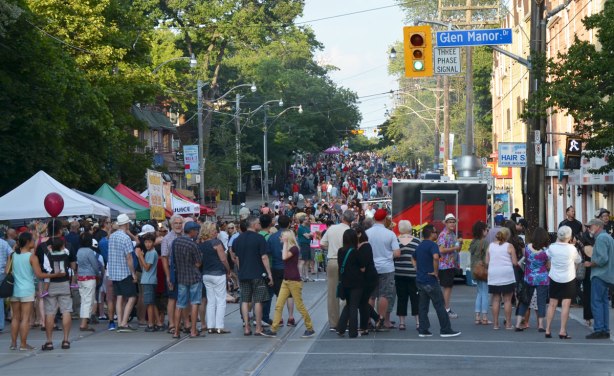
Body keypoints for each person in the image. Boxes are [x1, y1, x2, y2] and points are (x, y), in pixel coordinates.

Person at [10, 232, 64, 351]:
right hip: (27, 290)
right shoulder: (31, 257)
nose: (35, 242)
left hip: (14, 289)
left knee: (15, 317)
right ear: (28, 242)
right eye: (33, 240)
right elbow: (39, 274)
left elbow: (6, 270)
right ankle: (23, 344)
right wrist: (55, 274)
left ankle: (13, 344)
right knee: (25, 318)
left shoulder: (13, 255)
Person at [262, 230, 315, 338]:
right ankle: (273, 329)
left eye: (282, 236)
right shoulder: (288, 248)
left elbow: (284, 257)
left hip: (294, 281)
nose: (280, 238)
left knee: (300, 306)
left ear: (287, 237)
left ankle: (310, 328)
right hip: (286, 280)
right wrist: (285, 244)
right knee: (278, 305)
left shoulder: (294, 248)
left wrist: (285, 243)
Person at [414, 224, 461, 338]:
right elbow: (436, 257)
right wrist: (435, 271)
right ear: (431, 233)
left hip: (420, 279)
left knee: (423, 306)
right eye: (435, 232)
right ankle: (445, 329)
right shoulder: (433, 245)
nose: (436, 234)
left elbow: (413, 257)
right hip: (430, 280)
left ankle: (423, 329)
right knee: (440, 305)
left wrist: (417, 268)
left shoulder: (420, 245)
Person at [232, 216, 273, 336]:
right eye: (258, 223)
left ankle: (246, 327)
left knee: (245, 300)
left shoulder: (238, 239)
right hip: (258, 274)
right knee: (258, 301)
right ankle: (258, 327)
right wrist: (269, 273)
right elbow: (264, 257)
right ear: (254, 225)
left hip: (244, 274)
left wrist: (241, 270)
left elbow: (236, 257)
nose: (260, 225)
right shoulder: (259, 238)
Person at [320, 210, 354, 331]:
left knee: (332, 292)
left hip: (333, 261)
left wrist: (332, 248)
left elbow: (322, 244)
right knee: (348, 291)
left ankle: (333, 323)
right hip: (348, 261)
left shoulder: (332, 228)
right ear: (352, 220)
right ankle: (347, 321)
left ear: (341, 217)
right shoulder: (351, 231)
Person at [366, 208, 400, 330]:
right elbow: (397, 253)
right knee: (384, 295)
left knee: (371, 296)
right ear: (385, 219)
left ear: (374, 218)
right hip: (386, 268)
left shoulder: (367, 233)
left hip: (371, 268)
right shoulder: (390, 234)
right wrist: (387, 255)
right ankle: (380, 319)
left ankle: (368, 320)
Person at [545, 226, 581, 339]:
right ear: (569, 237)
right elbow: (578, 260)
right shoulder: (572, 249)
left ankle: (547, 329)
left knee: (552, 304)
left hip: (555, 277)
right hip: (568, 278)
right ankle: (562, 330)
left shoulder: (552, 247)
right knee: (566, 305)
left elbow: (547, 256)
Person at [514, 227, 550, 332]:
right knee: (541, 302)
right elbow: (548, 266)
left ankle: (517, 324)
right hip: (542, 278)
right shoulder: (545, 252)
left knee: (524, 300)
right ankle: (540, 325)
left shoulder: (527, 248)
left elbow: (521, 263)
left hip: (528, 278)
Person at [199, 222, 231, 334]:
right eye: (214, 230)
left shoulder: (201, 244)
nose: (216, 232)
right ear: (210, 231)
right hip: (218, 273)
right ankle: (219, 326)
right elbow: (223, 259)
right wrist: (228, 270)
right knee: (221, 300)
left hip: (206, 274)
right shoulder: (217, 243)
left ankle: (210, 326)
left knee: (211, 301)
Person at [108, 214, 138, 333]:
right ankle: (124, 322)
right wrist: (133, 273)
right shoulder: (125, 238)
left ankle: (120, 321)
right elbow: (129, 257)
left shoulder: (112, 237)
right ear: (127, 224)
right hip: (124, 271)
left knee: (119, 297)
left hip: (114, 272)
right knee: (132, 297)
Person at [171, 221, 202, 338]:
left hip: (181, 277)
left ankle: (176, 331)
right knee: (194, 303)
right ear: (192, 231)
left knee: (180, 304)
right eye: (196, 231)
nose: (197, 233)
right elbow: (198, 263)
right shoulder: (193, 245)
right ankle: (193, 331)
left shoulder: (176, 242)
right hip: (193, 277)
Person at [585, 218, 614, 339]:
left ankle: (599, 329)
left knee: (596, 302)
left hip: (599, 274)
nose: (588, 228)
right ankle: (604, 329)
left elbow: (602, 259)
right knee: (603, 303)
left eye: (590, 226)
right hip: (607, 274)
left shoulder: (601, 238)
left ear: (597, 226)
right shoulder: (608, 237)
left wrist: (590, 264)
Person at [486, 227, 517, 330]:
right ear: (507, 236)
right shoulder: (509, 246)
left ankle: (495, 324)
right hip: (506, 274)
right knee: (507, 300)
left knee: (495, 299)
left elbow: (487, 262)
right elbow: (515, 262)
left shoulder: (490, 246)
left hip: (494, 274)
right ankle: (508, 324)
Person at [267, 215, 296, 327]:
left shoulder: (272, 237)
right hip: (289, 268)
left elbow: (268, 253)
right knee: (289, 294)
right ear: (289, 224)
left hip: (276, 268)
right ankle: (291, 317)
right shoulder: (292, 236)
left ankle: (279, 318)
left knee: (279, 294)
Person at [335, 229, 364, 338]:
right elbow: (362, 267)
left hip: (344, 282)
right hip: (356, 282)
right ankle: (353, 332)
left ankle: (341, 328)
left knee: (349, 305)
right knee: (354, 306)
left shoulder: (340, 251)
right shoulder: (356, 252)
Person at [394, 220, 420, 331]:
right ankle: (418, 322)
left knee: (401, 298)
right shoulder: (417, 241)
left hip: (399, 273)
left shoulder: (395, 241)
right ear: (410, 228)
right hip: (413, 273)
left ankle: (402, 323)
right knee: (416, 298)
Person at [437, 213, 463, 319]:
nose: (452, 224)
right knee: (447, 288)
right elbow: (441, 250)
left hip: (451, 264)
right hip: (444, 265)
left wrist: (460, 244)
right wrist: (454, 249)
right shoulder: (443, 235)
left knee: (449, 288)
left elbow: (458, 249)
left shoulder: (453, 234)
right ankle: (446, 309)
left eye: (453, 222)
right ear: (446, 223)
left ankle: (446, 308)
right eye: (450, 222)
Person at [161, 215, 183, 333]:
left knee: (183, 297)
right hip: (172, 270)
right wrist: (168, 276)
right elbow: (164, 258)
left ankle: (183, 322)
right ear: (171, 224)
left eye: (180, 223)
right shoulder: (167, 238)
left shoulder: (184, 236)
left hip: (183, 270)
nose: (178, 225)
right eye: (176, 223)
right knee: (172, 298)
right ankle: (172, 324)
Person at [76, 232, 101, 332]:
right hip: (89, 277)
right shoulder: (90, 251)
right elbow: (95, 265)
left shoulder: (79, 251)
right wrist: (97, 274)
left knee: (84, 300)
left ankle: (83, 321)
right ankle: (84, 324)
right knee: (88, 301)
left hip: (80, 276)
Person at [135, 232, 159, 332]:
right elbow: (143, 267)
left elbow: (147, 267)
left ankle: (150, 324)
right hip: (147, 279)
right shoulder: (149, 253)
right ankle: (156, 322)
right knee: (151, 303)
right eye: (146, 242)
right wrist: (141, 257)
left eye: (149, 242)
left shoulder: (152, 253)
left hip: (149, 280)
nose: (147, 244)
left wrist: (140, 256)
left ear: (153, 242)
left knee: (149, 303)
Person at [469, 221, 490, 325]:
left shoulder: (473, 242)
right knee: (485, 293)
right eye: (486, 229)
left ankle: (477, 316)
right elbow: (487, 258)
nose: (487, 231)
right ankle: (485, 316)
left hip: (475, 270)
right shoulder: (485, 242)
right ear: (482, 231)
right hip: (483, 270)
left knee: (479, 293)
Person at [297, 215, 313, 281]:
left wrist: (309, 235)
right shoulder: (300, 228)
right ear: (303, 220)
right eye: (306, 219)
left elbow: (310, 235)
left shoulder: (306, 227)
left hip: (307, 244)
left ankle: (307, 276)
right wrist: (310, 234)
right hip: (303, 245)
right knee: (302, 261)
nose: (308, 220)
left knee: (307, 261)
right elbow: (307, 236)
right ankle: (300, 276)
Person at [0, 236, 11, 333]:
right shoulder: (3, 243)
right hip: (2, 272)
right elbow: (11, 254)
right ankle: (0, 324)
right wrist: (7, 268)